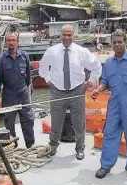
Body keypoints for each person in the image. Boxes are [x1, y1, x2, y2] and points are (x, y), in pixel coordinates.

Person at [39, 24, 102, 160]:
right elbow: (42, 67)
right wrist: (48, 79)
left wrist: (90, 80)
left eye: (69, 35)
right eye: (64, 34)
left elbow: (96, 66)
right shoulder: (52, 51)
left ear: (74, 35)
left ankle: (80, 148)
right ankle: (53, 146)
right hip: (57, 91)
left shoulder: (82, 51)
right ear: (60, 35)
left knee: (79, 122)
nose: (67, 37)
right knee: (56, 121)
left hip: (77, 91)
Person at [92, 30, 127, 179]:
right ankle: (106, 165)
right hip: (114, 103)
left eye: (120, 42)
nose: (117, 45)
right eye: (114, 42)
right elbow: (105, 81)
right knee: (110, 134)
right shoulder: (109, 62)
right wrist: (98, 89)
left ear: (125, 42)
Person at [0, 32, 35, 148]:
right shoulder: (0, 60)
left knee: (28, 119)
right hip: (9, 94)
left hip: (23, 93)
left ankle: (30, 144)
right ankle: (12, 146)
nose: (11, 42)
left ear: (17, 42)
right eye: (9, 40)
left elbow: (28, 75)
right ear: (6, 42)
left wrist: (28, 89)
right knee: (9, 122)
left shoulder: (24, 56)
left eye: (13, 40)